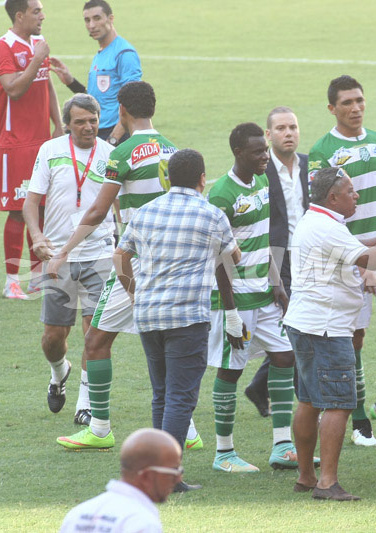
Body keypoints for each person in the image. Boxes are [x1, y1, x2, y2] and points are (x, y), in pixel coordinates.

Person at [51, 82, 200, 453]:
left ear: (122, 111)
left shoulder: (122, 153)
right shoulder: (172, 148)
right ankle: (191, 431)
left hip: (138, 264)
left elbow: (100, 210)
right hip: (176, 263)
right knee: (168, 343)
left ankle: (99, 428)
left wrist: (63, 251)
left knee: (96, 340)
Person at [285, 167, 376, 500]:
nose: (357, 195)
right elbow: (371, 258)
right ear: (333, 197)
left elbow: (357, 246)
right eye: (351, 191)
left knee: (308, 402)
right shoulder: (325, 226)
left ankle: (306, 476)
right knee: (339, 404)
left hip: (306, 324)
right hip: (327, 328)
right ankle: (327, 483)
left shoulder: (319, 221)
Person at [114, 149, 241, 492]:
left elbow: (121, 254)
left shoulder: (145, 212)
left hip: (149, 313)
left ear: (167, 177)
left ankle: (154, 469)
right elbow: (235, 257)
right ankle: (165, 476)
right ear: (203, 179)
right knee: (181, 397)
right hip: (187, 317)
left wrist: (133, 292)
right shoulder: (211, 214)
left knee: (162, 394)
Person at [308, 75, 376, 446]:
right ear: (332, 109)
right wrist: (358, 262)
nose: (355, 108)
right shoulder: (322, 151)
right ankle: (358, 420)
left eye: (359, 101)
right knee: (353, 339)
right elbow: (324, 207)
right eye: (346, 103)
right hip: (348, 256)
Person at [206, 122, 306, 473]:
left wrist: (277, 282)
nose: (265, 156)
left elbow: (262, 241)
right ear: (238, 153)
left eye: (265, 150)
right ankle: (224, 453)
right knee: (230, 371)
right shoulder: (221, 195)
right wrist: (230, 311)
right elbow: (218, 259)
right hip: (235, 301)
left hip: (264, 293)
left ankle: (282, 445)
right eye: (257, 152)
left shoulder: (263, 180)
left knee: (284, 357)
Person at [23, 94, 114, 420]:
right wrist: (36, 236)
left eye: (93, 120)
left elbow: (117, 206)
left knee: (94, 336)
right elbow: (31, 202)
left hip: (99, 254)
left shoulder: (110, 155)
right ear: (67, 124)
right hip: (58, 256)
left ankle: (85, 406)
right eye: (81, 122)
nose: (89, 127)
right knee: (53, 337)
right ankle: (59, 372)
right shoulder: (51, 150)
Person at [0, 0, 63, 299]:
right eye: (36, 11)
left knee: (44, 208)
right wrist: (36, 60)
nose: (42, 16)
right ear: (19, 16)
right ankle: (11, 281)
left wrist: (59, 124)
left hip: (43, 141)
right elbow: (13, 88)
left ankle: (37, 278)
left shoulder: (38, 43)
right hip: (16, 143)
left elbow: (46, 86)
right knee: (19, 211)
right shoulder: (2, 47)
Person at [244, 106, 309, 418]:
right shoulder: (261, 172)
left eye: (293, 127)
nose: (289, 133)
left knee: (301, 325)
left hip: (309, 257)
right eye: (281, 128)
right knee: (296, 326)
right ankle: (303, 398)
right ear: (268, 136)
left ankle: (260, 385)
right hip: (277, 259)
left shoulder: (309, 166)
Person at [49, 0, 141, 146]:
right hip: (96, 130)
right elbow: (96, 100)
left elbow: (134, 101)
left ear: (110, 18)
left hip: (116, 136)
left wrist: (113, 140)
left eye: (97, 18)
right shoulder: (100, 54)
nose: (91, 25)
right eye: (87, 20)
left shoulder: (124, 53)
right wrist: (70, 81)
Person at [59, 428, 183, 532]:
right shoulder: (142, 523)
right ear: (146, 476)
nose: (178, 478)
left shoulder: (77, 515)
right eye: (173, 471)